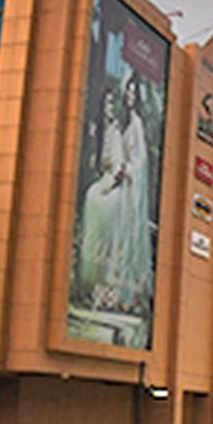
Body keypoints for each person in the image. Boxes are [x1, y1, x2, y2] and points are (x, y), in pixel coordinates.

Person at [78, 75, 153, 337]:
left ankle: (112, 287)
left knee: (104, 203)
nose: (130, 98)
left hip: (128, 187)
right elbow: (106, 160)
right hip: (115, 179)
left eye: (134, 94)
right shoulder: (115, 126)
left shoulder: (137, 125)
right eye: (128, 94)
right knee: (92, 197)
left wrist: (124, 173)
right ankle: (94, 280)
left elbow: (139, 163)